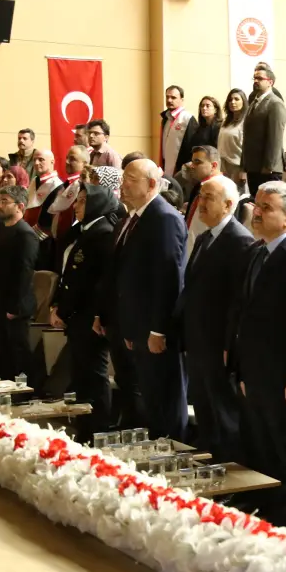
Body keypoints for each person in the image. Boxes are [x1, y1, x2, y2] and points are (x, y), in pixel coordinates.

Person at [228, 181, 286, 529]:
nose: (258, 211)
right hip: (256, 369)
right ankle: (271, 510)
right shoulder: (257, 251)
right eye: (258, 205)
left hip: (285, 374)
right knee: (262, 444)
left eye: (268, 207)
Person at [168, 174, 251, 463]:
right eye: (200, 196)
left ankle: (230, 472)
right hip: (198, 340)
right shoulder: (205, 237)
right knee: (205, 411)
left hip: (219, 344)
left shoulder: (241, 241)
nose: (200, 203)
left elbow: (238, 301)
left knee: (224, 415)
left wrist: (230, 344)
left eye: (208, 198)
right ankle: (211, 466)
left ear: (228, 204)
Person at [106, 159, 188, 441]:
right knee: (150, 394)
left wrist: (158, 329)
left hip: (156, 328)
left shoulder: (163, 217)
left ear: (152, 184)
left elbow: (169, 278)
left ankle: (172, 450)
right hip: (138, 325)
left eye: (131, 178)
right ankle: (157, 445)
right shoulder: (135, 217)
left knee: (164, 394)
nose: (123, 184)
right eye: (123, 177)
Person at [51, 183, 117, 435]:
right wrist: (57, 305)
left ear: (97, 204)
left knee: (93, 374)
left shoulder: (102, 233)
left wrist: (66, 310)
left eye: (81, 201)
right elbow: (68, 275)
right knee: (81, 374)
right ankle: (85, 425)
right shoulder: (83, 230)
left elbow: (92, 282)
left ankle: (98, 427)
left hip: (90, 316)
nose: (75, 205)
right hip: (76, 314)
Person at [0, 186, 40, 387]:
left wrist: (14, 307)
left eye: (4, 201)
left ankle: (26, 390)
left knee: (19, 352)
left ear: (19, 206)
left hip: (16, 305)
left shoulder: (25, 234)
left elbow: (24, 274)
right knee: (3, 351)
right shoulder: (1, 231)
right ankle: (7, 387)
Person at [240, 66, 286, 195]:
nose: (256, 81)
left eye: (259, 78)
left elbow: (275, 137)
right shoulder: (253, 103)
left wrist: (269, 166)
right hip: (253, 166)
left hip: (267, 169)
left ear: (270, 82)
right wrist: (244, 164)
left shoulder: (275, 103)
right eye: (254, 78)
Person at [160, 85, 192, 178]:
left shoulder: (187, 119)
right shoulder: (165, 119)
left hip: (181, 168)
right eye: (167, 97)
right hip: (166, 165)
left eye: (173, 97)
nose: (169, 100)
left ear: (181, 100)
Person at [218, 89, 247, 185]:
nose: (233, 102)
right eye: (230, 100)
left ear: (243, 101)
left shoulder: (246, 121)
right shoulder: (226, 121)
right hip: (223, 165)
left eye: (236, 99)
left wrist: (244, 170)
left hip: (237, 166)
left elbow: (248, 148)